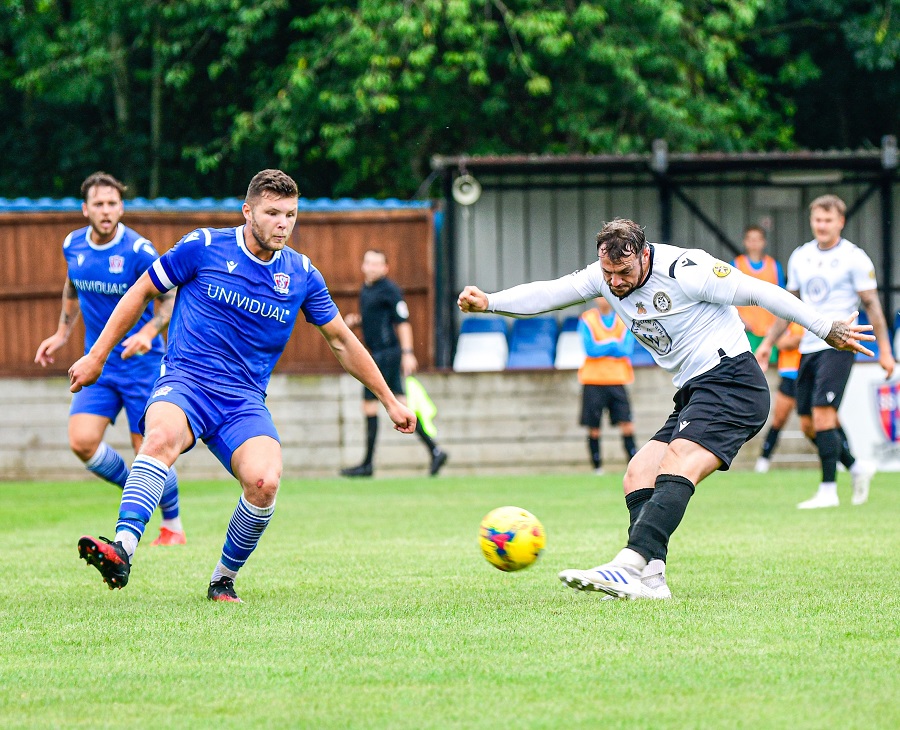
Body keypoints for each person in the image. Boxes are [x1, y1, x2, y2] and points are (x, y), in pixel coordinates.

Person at [458, 218, 874, 600]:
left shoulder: (686, 269)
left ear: (643, 255)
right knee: (639, 472)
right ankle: (652, 580)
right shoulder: (602, 275)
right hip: (696, 391)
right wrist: (491, 301)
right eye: (608, 275)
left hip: (733, 380)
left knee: (678, 462)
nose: (615, 283)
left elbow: (761, 292)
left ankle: (629, 564)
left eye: (624, 273)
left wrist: (824, 327)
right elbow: (551, 292)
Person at [69, 170, 416, 602]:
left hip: (243, 401)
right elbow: (141, 290)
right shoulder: (203, 246)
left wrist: (389, 399)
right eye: (272, 213)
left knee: (265, 482)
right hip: (185, 381)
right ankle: (122, 550)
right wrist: (96, 355)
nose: (283, 223)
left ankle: (222, 579)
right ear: (248, 211)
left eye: (291, 214)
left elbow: (342, 341)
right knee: (158, 438)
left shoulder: (302, 275)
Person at [34, 172, 184, 546]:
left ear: (121, 207)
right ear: (86, 209)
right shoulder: (73, 245)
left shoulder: (138, 251)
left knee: (148, 450)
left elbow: (167, 299)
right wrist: (61, 334)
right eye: (99, 204)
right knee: (82, 441)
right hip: (98, 364)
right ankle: (135, 488)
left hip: (141, 366)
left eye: (113, 203)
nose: (106, 210)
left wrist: (148, 334)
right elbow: (72, 287)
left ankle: (173, 525)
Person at [756, 195, 895, 509]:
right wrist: (766, 343)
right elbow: (786, 307)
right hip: (809, 346)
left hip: (841, 345)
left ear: (840, 222)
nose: (822, 225)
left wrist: (884, 350)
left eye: (828, 220)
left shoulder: (855, 258)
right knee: (807, 423)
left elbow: (872, 306)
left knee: (823, 416)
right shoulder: (800, 257)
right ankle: (856, 466)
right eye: (817, 220)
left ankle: (828, 490)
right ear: (812, 221)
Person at [340, 249, 448, 477]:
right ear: (363, 265)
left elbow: (402, 322)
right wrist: (356, 322)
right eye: (368, 262)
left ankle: (368, 464)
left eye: (377, 264)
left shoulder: (390, 289)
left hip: (387, 354)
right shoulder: (366, 289)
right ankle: (435, 451)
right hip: (378, 352)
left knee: (370, 406)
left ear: (385, 268)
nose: (371, 267)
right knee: (401, 404)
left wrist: (408, 352)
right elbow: (377, 319)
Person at [577, 297, 638, 474]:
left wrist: (603, 346)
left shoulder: (623, 318)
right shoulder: (587, 319)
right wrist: (613, 344)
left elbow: (626, 350)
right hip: (593, 380)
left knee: (627, 424)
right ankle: (597, 468)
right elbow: (590, 349)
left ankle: (633, 465)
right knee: (594, 427)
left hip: (618, 379)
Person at [754, 323, 804, 472]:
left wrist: (784, 340)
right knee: (778, 420)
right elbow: (786, 342)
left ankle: (842, 458)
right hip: (788, 374)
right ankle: (763, 460)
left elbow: (793, 341)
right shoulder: (785, 319)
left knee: (821, 421)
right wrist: (784, 340)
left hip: (807, 373)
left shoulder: (807, 315)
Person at [732, 225, 784, 358]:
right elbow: (727, 299)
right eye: (750, 239)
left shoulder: (774, 266)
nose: (754, 243)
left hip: (769, 332)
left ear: (764, 242)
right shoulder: (736, 265)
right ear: (745, 241)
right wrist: (740, 320)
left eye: (757, 239)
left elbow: (782, 298)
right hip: (744, 331)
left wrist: (776, 325)